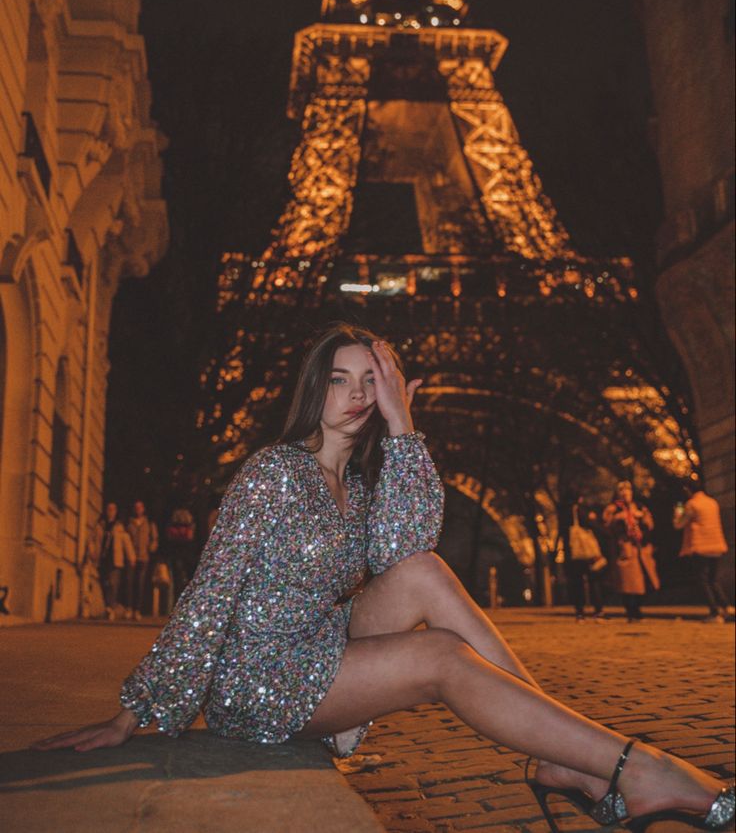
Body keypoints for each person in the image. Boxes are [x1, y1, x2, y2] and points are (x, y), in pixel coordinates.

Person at [33, 326, 734, 831]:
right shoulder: (272, 472)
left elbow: (409, 551)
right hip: (260, 678)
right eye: (340, 378)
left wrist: (403, 424)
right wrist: (141, 709)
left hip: (317, 644)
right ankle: (632, 768)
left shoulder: (361, 489)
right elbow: (209, 594)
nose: (356, 393)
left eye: (371, 380)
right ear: (316, 388)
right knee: (438, 659)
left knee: (425, 571)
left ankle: (571, 756)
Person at [674, 479, 730, 623]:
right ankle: (726, 607)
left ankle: (714, 612)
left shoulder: (692, 504)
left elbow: (679, 525)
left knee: (703, 580)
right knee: (714, 579)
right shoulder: (712, 502)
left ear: (688, 489)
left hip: (701, 547)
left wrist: (677, 514)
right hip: (717, 545)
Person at [602, 480, 660, 623]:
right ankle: (632, 611)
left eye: (628, 489)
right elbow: (606, 527)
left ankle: (638, 608)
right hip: (625, 549)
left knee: (644, 581)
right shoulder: (613, 509)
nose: (625, 492)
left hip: (641, 549)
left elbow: (650, 524)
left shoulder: (639, 506)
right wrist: (617, 520)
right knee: (627, 583)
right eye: (622, 490)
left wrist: (642, 519)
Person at [560, 492, 606, 622]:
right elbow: (591, 525)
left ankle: (579, 613)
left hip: (572, 552)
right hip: (585, 553)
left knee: (576, 583)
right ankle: (598, 611)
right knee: (594, 580)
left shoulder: (563, 513)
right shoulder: (579, 511)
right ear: (579, 499)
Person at [88, 502, 136, 620]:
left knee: (113, 584)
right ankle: (108, 606)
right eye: (109, 509)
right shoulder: (100, 525)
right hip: (102, 559)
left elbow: (127, 542)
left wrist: (131, 557)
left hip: (115, 560)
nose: (110, 511)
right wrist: (92, 552)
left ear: (115, 512)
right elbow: (92, 540)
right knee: (103, 583)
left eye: (113, 509)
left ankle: (110, 607)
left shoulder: (119, 527)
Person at [127, 500, 159, 620]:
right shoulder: (129, 523)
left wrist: (151, 547)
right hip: (131, 556)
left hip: (143, 556)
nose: (138, 509)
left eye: (140, 507)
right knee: (129, 582)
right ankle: (129, 607)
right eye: (136, 507)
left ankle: (137, 609)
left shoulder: (149, 523)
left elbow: (154, 538)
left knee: (140, 583)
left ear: (143, 509)